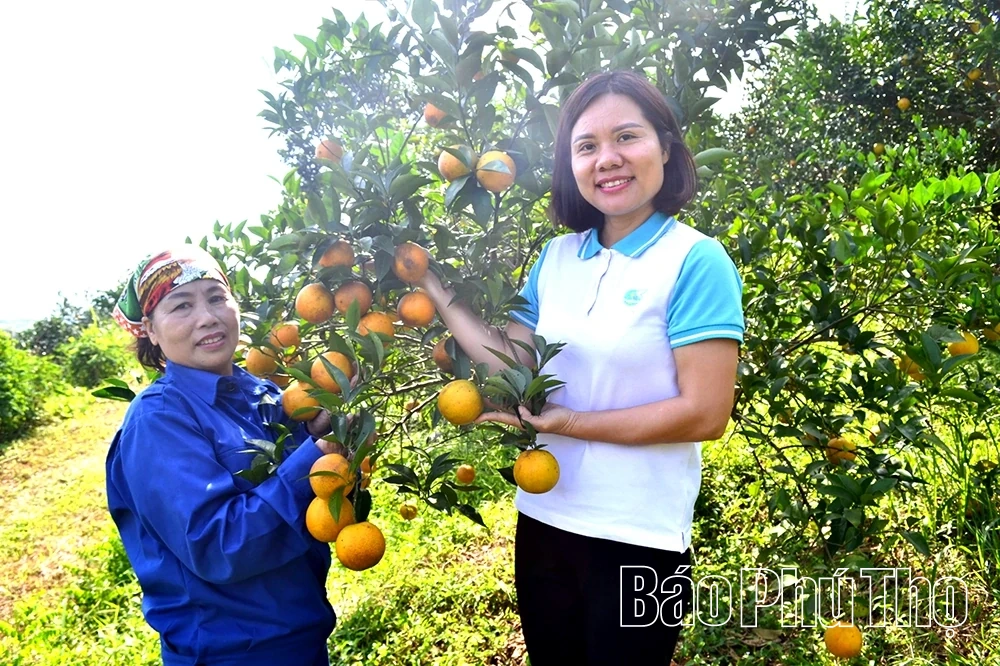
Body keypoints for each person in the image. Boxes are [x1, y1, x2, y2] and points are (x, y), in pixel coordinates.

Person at [415, 70, 744, 664]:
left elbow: (705, 413)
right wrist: (434, 289)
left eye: (627, 137)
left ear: (666, 148)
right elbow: (514, 359)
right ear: (571, 166)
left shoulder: (695, 260)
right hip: (544, 516)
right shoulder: (557, 257)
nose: (607, 159)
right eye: (586, 145)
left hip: (642, 540)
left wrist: (571, 424)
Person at [106, 246, 342, 666]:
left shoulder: (267, 394)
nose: (207, 317)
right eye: (182, 305)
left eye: (216, 297)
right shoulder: (158, 420)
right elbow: (218, 544)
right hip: (230, 653)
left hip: (302, 637)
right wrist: (314, 462)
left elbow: (317, 509)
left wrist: (322, 437)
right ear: (151, 330)